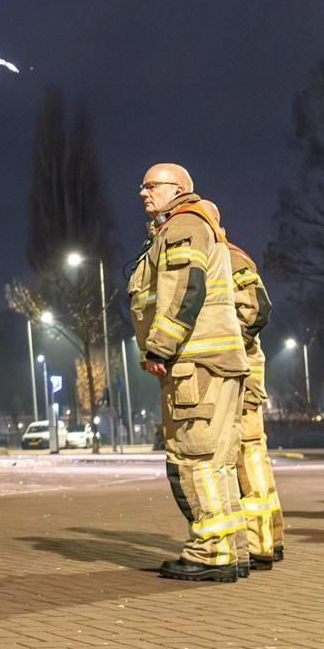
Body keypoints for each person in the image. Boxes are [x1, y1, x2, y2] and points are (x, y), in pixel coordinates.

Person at [128, 164, 250, 582]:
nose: (143, 192)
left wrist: (160, 346)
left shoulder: (182, 226)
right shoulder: (196, 226)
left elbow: (184, 288)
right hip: (216, 363)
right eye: (142, 186)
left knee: (193, 459)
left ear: (178, 189)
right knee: (219, 462)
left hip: (194, 365)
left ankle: (209, 551)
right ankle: (233, 549)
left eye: (151, 185)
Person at [227, 241, 284, 568]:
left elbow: (257, 308)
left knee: (247, 458)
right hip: (243, 372)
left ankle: (259, 543)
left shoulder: (229, 257)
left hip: (240, 375)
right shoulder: (232, 256)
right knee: (254, 456)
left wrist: (227, 347)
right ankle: (270, 537)